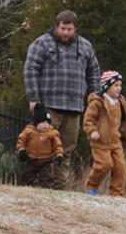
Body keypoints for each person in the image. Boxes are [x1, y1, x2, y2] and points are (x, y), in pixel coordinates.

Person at [23, 10, 101, 189]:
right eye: (63, 29)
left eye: (69, 29)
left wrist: (96, 96)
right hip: (49, 107)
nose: (66, 33)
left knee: (66, 151)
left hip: (74, 108)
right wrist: (33, 98)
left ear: (75, 29)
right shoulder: (42, 43)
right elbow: (30, 69)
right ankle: (38, 186)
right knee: (42, 149)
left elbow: (94, 71)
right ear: (56, 27)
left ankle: (59, 188)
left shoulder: (85, 46)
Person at [83, 70, 126, 196]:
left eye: (120, 85)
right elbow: (88, 121)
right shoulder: (98, 102)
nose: (119, 88)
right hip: (100, 141)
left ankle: (116, 193)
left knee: (121, 168)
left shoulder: (120, 102)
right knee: (104, 165)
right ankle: (92, 186)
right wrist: (93, 131)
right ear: (107, 86)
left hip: (115, 141)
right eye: (116, 85)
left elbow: (123, 120)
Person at [17, 103, 64, 188]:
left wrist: (59, 155)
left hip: (46, 160)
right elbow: (21, 139)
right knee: (27, 175)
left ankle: (46, 189)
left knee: (47, 177)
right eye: (42, 122)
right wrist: (21, 150)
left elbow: (58, 145)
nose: (45, 124)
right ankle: (29, 187)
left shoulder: (52, 133)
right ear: (36, 123)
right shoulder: (29, 131)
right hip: (31, 159)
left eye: (47, 122)